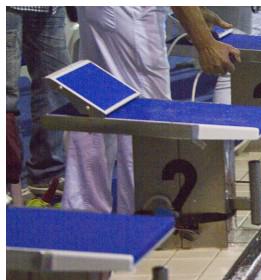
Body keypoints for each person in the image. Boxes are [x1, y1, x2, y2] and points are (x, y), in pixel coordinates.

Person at [62, 7, 240, 214]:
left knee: (96, 104)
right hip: (129, 16)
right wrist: (205, 44)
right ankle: (143, 215)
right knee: (147, 116)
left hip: (103, 13)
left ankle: (84, 214)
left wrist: (195, 14)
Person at [6, 7, 71, 197]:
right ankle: (10, 183)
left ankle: (48, 174)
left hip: (49, 8)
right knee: (7, 98)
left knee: (55, 85)